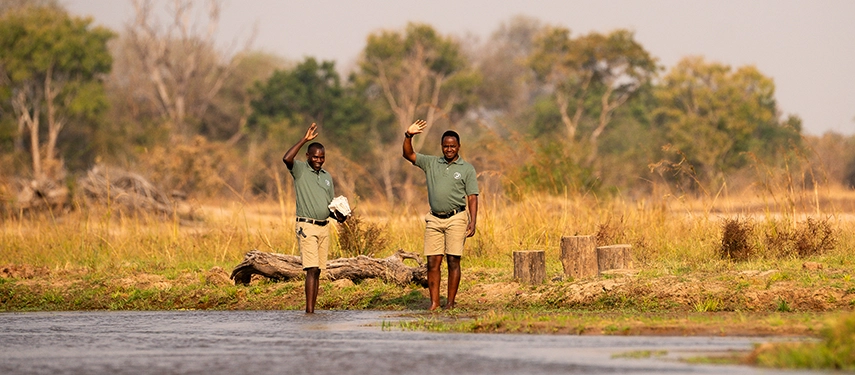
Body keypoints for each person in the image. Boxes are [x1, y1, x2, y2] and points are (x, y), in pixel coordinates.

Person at [402, 119, 479, 311]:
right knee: (432, 262)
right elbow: (408, 154)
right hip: (434, 218)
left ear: (459, 146)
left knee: (453, 260)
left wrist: (473, 221)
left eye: (453, 146)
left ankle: (450, 303)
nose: (449, 149)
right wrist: (408, 135)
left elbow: (472, 197)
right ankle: (434, 303)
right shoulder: (431, 163)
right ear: (441, 147)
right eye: (446, 146)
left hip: (457, 217)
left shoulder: (466, 168)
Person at [283, 123, 345, 313]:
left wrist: (339, 216)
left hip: (323, 227)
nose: (319, 160)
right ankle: (309, 311)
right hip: (307, 226)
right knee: (311, 269)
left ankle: (313, 310)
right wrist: (304, 139)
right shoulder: (300, 170)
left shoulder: (327, 176)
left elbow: (329, 205)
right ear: (308, 156)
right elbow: (287, 158)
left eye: (322, 157)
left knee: (318, 270)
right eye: (315, 156)